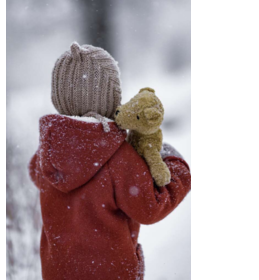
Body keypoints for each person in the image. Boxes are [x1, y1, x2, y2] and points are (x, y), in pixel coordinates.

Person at [29, 43, 191, 280]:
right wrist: (177, 168)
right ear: (110, 98)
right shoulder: (117, 157)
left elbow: (36, 173)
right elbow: (150, 208)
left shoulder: (48, 151)